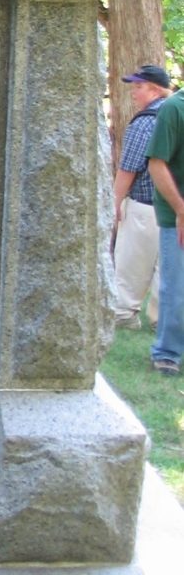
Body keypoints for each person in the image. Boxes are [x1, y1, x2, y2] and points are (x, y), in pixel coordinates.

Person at [112, 64, 173, 330]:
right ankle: (163, 321)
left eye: (139, 86)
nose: (133, 92)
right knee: (168, 269)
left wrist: (114, 203)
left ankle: (124, 314)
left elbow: (129, 168)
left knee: (130, 265)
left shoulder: (146, 121)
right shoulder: (178, 116)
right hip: (176, 207)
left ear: (156, 90)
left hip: (146, 207)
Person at [146, 73, 184, 377]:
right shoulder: (174, 108)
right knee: (177, 289)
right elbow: (157, 163)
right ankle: (168, 352)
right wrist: (181, 210)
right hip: (179, 217)